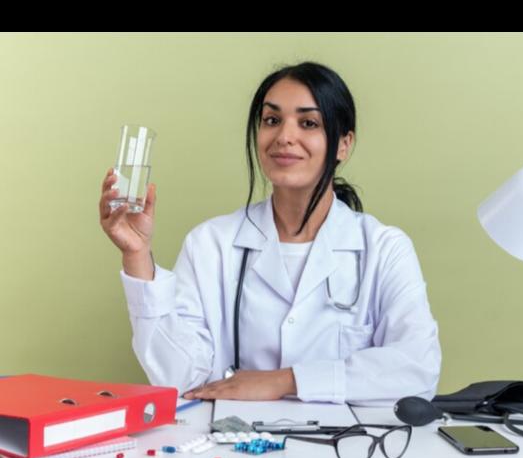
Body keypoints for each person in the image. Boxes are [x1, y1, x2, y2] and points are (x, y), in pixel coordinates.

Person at [99, 61, 441, 406]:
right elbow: (180, 377)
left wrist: (284, 381)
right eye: (272, 120)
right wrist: (136, 256)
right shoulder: (211, 244)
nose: (284, 137)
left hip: (345, 440)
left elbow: (417, 369)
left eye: (308, 123)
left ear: (343, 144)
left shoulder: (384, 249)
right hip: (237, 437)